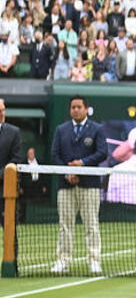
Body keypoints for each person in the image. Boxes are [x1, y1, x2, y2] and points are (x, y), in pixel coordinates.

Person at [50, 96, 107, 274]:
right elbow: (54, 154)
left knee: (91, 224)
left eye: (79, 107)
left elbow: (102, 153)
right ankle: (63, 261)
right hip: (66, 185)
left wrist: (82, 164)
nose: (75, 110)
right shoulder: (61, 130)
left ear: (86, 109)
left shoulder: (97, 129)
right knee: (65, 224)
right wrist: (68, 171)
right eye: (73, 107)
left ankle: (94, 260)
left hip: (89, 185)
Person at [0, 98, 23, 226]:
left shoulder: (14, 132)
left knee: (10, 230)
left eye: (3, 110)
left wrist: (1, 174)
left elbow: (16, 159)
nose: (2, 114)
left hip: (5, 190)